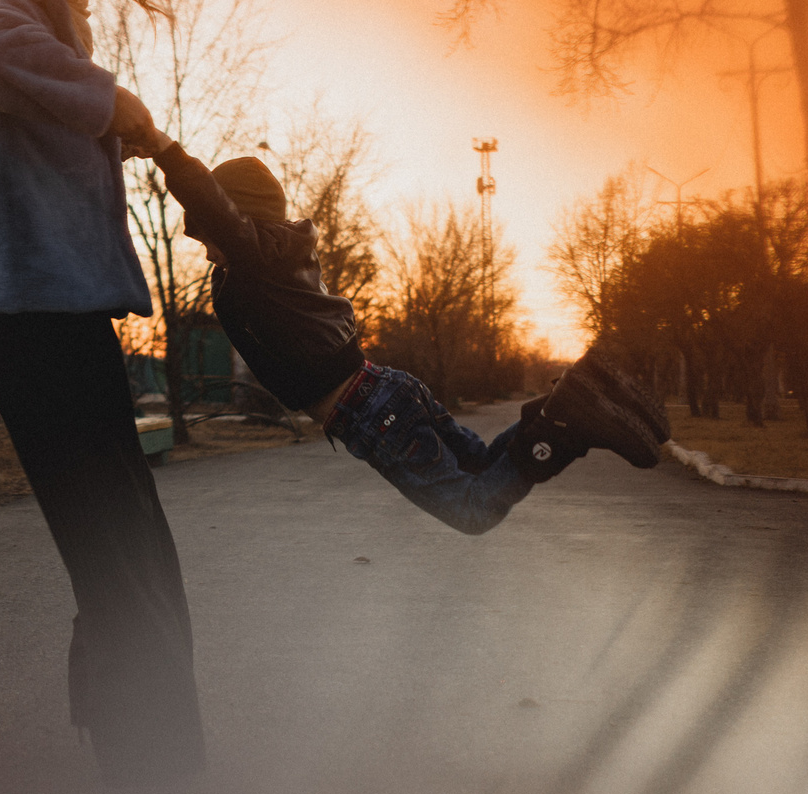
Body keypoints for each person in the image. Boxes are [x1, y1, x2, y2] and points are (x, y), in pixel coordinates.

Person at [0, 0, 205, 786]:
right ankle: (154, 772)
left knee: (133, 541)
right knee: (114, 542)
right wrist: (111, 101)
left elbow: (31, 97)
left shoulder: (31, 25)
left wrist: (106, 126)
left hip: (61, 310)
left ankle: (152, 748)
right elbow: (0, 59)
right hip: (31, 313)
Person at [134, 136, 670, 535]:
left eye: (206, 234)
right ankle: (572, 400)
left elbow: (216, 210)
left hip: (369, 411)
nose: (205, 249)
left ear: (237, 220)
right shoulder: (282, 258)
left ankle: (569, 421)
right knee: (482, 465)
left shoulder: (256, 260)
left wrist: (163, 150)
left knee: (472, 509)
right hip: (385, 387)